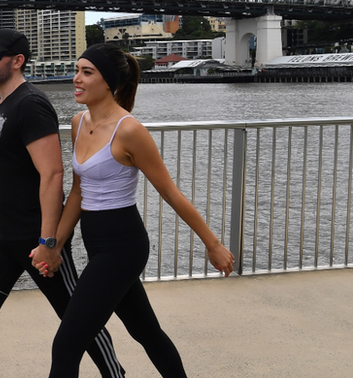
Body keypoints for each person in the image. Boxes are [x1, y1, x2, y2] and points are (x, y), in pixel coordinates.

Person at [33, 43, 235, 378]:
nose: (76, 78)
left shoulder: (129, 130)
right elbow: (79, 193)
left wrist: (212, 244)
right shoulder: (78, 123)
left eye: (87, 72)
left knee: (67, 344)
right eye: (77, 70)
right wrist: (52, 244)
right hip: (96, 245)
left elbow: (170, 193)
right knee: (147, 332)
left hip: (123, 247)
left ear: (109, 82)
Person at [0, 29, 124, 378]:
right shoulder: (4, 104)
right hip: (1, 235)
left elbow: (52, 174)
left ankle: (115, 375)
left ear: (17, 61)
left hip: (35, 237)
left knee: (78, 320)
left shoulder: (30, 104)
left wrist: (49, 243)